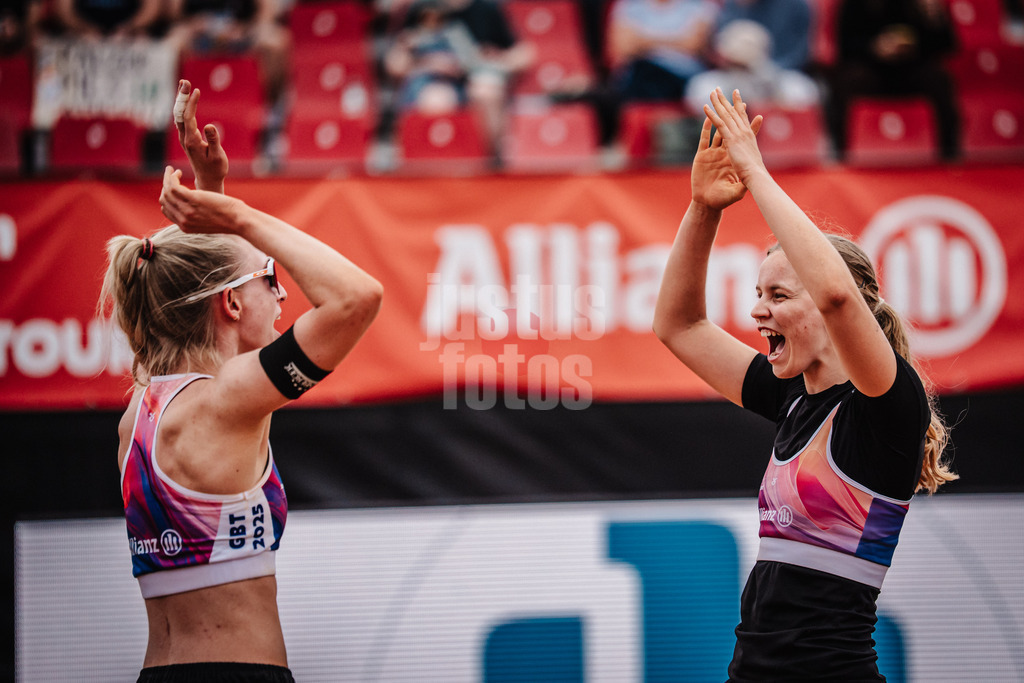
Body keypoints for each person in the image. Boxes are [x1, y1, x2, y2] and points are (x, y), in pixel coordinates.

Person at [653, 88, 957, 681]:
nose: (758, 312)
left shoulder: (886, 410)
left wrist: (756, 171)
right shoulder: (791, 394)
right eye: (758, 294)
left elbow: (839, 295)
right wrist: (704, 208)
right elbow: (679, 325)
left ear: (824, 306)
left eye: (779, 296)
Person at [99, 78, 383, 682]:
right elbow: (357, 298)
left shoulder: (145, 409)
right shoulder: (226, 404)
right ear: (230, 304)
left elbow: (198, 309)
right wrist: (240, 217)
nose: (281, 295)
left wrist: (214, 196)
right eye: (270, 280)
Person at [824, 0, 961, 162]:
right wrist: (874, 48)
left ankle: (949, 154)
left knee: (940, 79)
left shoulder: (919, 5)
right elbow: (844, 48)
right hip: (872, 71)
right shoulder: (853, 4)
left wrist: (935, 19)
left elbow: (947, 46)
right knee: (842, 82)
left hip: (911, 70)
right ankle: (838, 153)